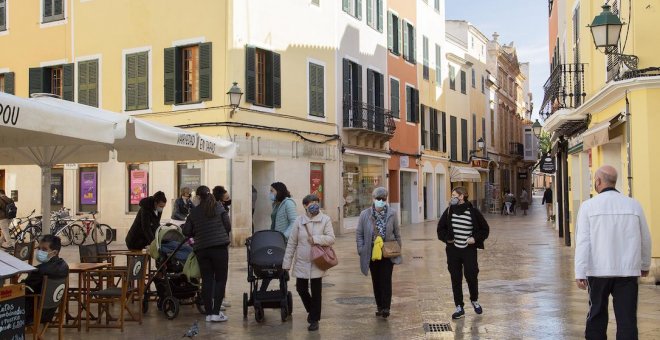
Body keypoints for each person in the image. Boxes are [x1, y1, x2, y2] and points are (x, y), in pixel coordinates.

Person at [575, 165, 652, 340]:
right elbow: (645, 237)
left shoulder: (588, 206)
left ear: (598, 181)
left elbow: (583, 241)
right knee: (627, 319)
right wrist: (645, 264)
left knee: (596, 315)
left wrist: (580, 271)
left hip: (598, 271)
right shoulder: (633, 205)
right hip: (627, 271)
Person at [282, 194, 335, 331]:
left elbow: (331, 238)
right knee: (301, 288)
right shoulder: (299, 221)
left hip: (318, 260)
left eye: (316, 202)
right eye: (311, 203)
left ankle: (314, 319)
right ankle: (312, 311)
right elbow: (292, 243)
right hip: (301, 260)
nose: (314, 205)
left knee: (317, 291)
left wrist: (316, 239)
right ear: (305, 206)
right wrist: (286, 264)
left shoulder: (325, 219)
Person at [437, 187, 490, 320]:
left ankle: (474, 300)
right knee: (455, 278)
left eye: (454, 195)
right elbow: (440, 229)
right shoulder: (449, 211)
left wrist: (475, 239)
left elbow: (485, 229)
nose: (452, 198)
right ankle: (459, 307)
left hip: (468, 250)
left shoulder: (473, 211)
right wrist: (447, 239)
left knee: (471, 275)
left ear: (461, 197)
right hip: (453, 250)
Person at [182, 186, 231, 323]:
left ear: (198, 197)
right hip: (219, 248)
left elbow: (186, 231)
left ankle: (209, 314)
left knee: (207, 280)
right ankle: (216, 313)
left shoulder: (194, 212)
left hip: (202, 249)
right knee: (220, 280)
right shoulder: (219, 208)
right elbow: (228, 226)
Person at [356, 187, 401, 319]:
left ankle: (386, 307)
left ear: (386, 199)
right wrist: (361, 249)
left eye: (383, 199)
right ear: (373, 199)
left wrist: (398, 248)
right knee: (376, 281)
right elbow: (359, 234)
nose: (380, 201)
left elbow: (397, 233)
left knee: (386, 280)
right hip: (371, 252)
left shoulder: (392, 213)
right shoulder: (365, 214)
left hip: (387, 252)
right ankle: (379, 306)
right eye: (378, 199)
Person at [23, 235, 69, 324]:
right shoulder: (64, 266)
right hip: (50, 312)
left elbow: (24, 288)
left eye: (44, 249)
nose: (40, 252)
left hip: (31, 312)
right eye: (39, 248)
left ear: (54, 252)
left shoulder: (40, 270)